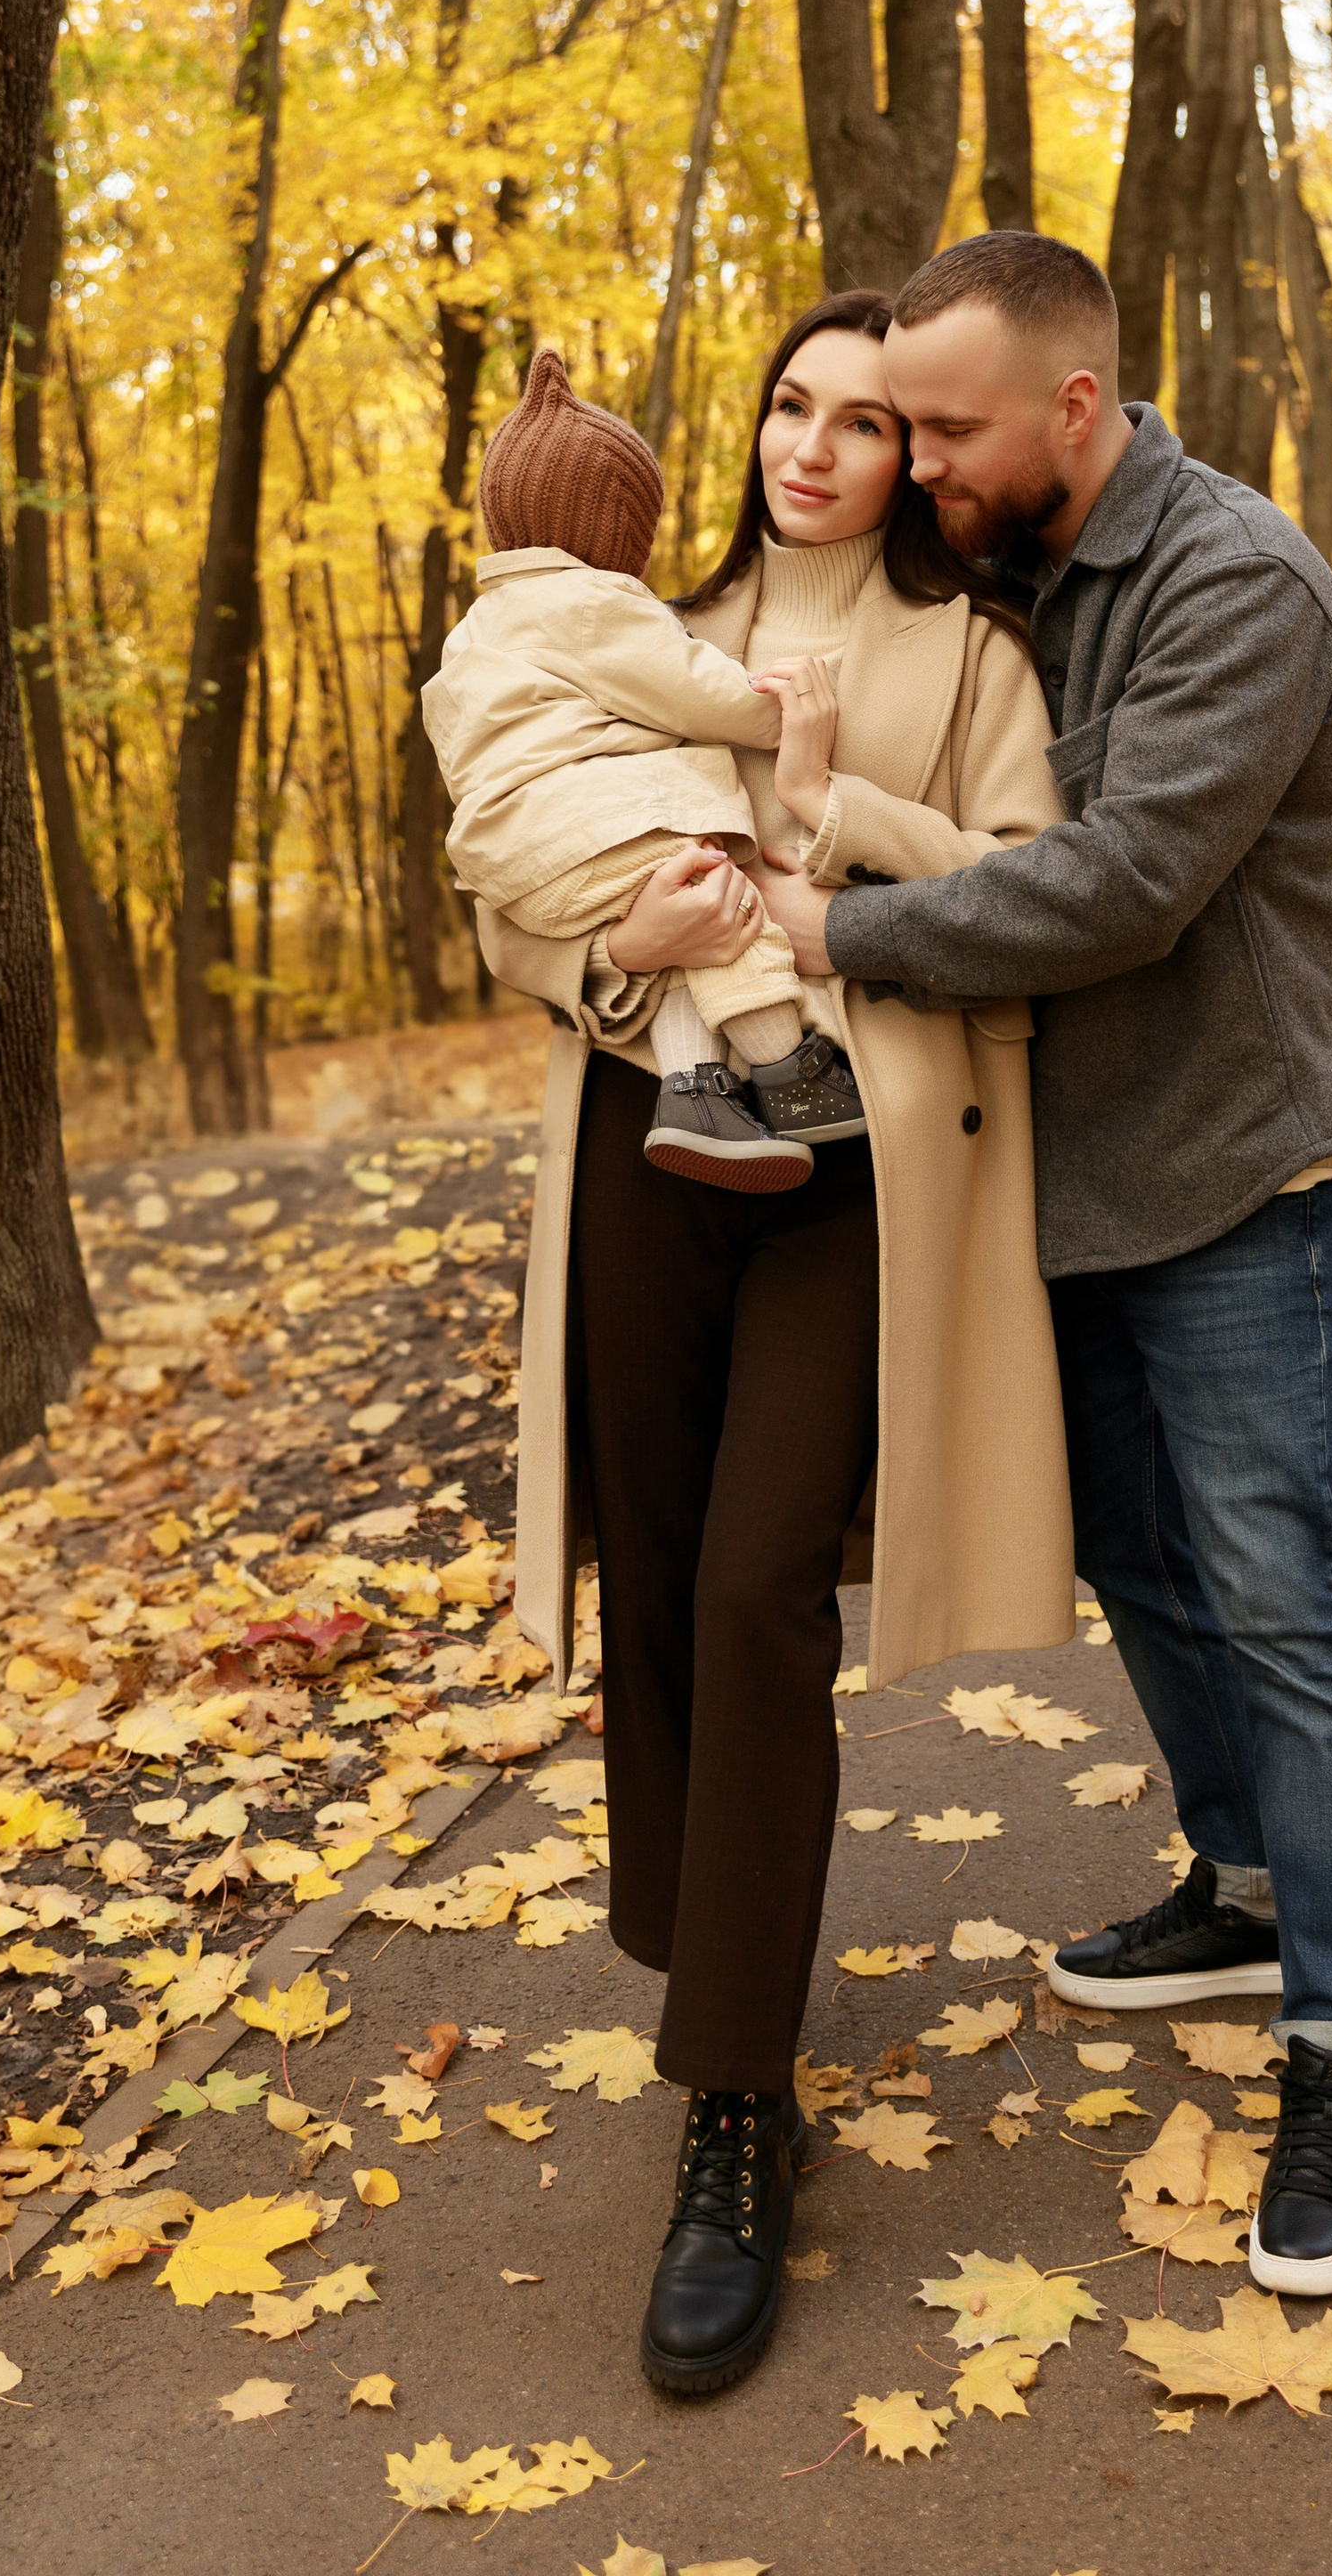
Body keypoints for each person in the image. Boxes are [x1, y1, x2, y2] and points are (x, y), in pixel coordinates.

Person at [753, 231, 1332, 2302]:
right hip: (1072, 1166)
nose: (914, 464)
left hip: (1233, 1160)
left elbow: (1120, 881)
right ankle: (1232, 1882)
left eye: (941, 426)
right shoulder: (1015, 560)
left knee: (1280, 1582)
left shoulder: (1231, 580)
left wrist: (832, 930)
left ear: (1069, 409)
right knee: (1142, 1551)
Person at [479, 291, 1074, 2394]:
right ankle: (712, 1949)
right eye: (782, 406)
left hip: (861, 1176)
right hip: (649, 1129)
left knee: (749, 1589)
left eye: (857, 421)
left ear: (916, 456)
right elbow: (518, 873)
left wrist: (841, 823)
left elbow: (1029, 883)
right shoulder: (646, 609)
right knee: (658, 1567)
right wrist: (604, 955)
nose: (808, 448)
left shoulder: (973, 654)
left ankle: (732, 2105)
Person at [419, 343, 860, 1190]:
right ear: (609, 531)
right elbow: (692, 689)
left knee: (681, 945)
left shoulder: (475, 631)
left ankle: (695, 1092)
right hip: (597, 830)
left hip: (515, 867)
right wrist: (781, 712)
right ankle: (791, 1071)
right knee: (725, 912)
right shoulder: (589, 603)